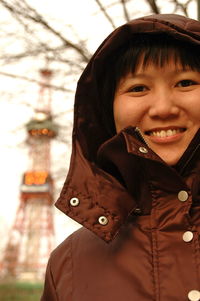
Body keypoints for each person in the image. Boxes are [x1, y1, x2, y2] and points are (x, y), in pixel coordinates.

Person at [41, 14, 200, 301]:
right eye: (138, 88)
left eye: (186, 82)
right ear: (107, 110)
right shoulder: (69, 264)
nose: (163, 108)